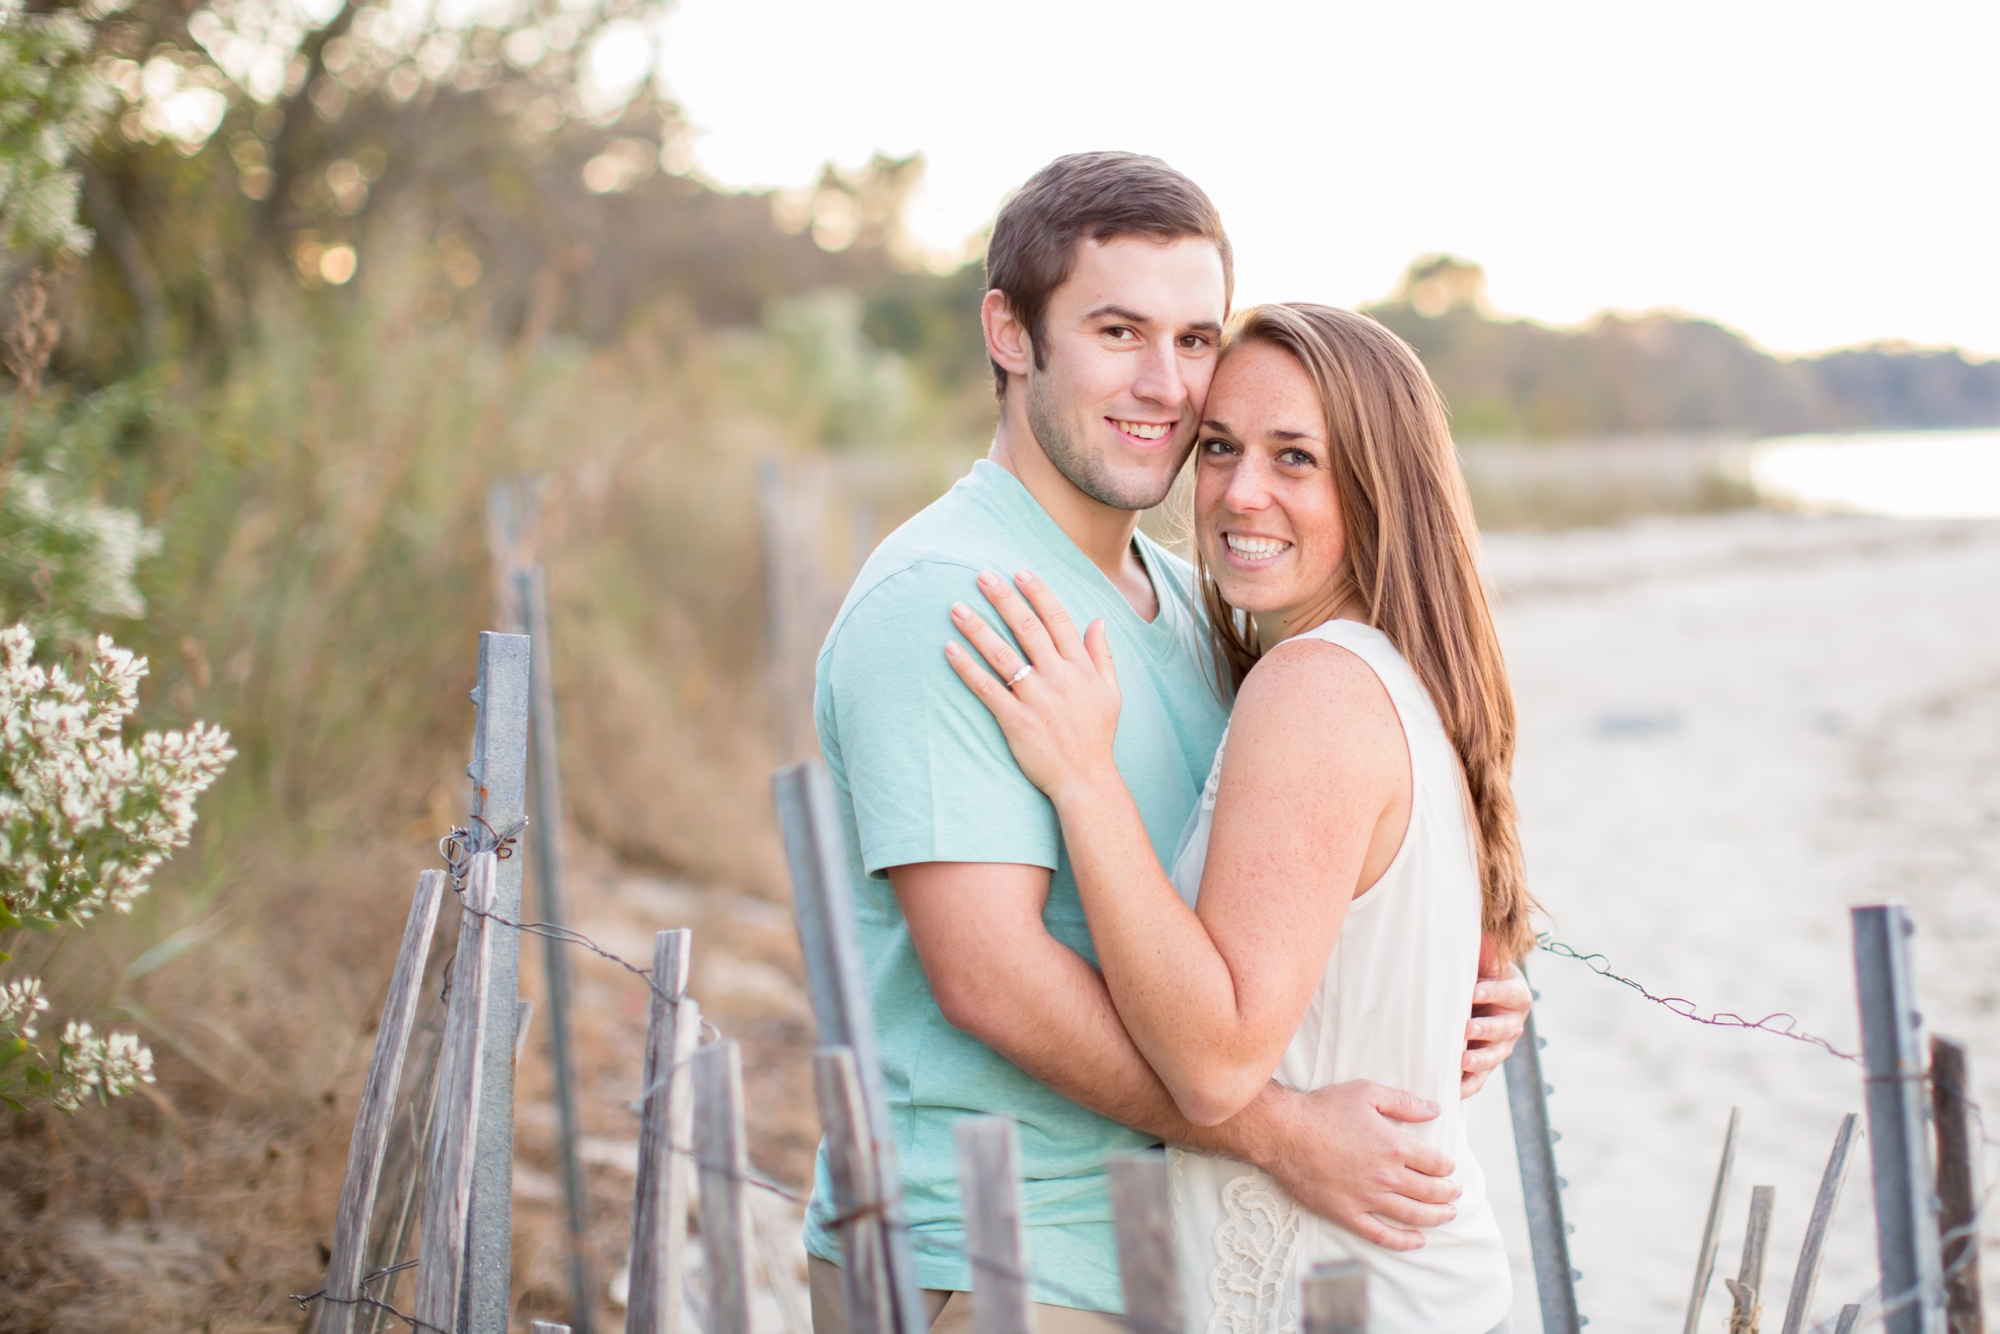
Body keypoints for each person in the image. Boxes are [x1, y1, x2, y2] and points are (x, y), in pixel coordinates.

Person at [802, 153, 1530, 1334]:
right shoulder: (950, 598)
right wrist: (1283, 1130)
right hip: (994, 1252)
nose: (1164, 384)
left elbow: (1279, 891)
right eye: (1117, 330)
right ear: (1009, 331)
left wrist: (1450, 975)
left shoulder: (1199, 609)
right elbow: (987, 975)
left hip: (1159, 1248)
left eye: (1194, 339)